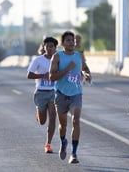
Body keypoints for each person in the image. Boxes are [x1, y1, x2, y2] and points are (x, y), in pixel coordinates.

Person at [49, 31, 91, 164]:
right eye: (68, 40)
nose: (71, 42)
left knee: (76, 120)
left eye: (72, 40)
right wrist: (67, 69)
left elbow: (84, 68)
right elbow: (52, 77)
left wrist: (87, 74)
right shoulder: (57, 57)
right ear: (62, 43)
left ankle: (74, 153)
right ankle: (63, 142)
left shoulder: (79, 56)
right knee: (63, 124)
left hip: (76, 94)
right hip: (61, 94)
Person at [27, 37, 58, 153]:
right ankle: (38, 112)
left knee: (53, 116)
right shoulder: (38, 60)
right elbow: (29, 75)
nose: (49, 48)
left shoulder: (58, 59)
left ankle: (48, 144)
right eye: (47, 46)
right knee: (42, 121)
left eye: (52, 46)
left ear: (55, 48)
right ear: (44, 47)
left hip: (53, 92)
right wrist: (42, 76)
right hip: (40, 92)